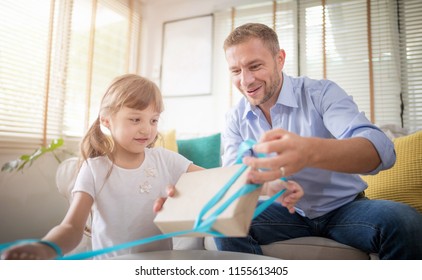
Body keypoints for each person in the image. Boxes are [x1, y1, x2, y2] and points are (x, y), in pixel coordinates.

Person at [214, 22, 422, 259]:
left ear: (279, 59)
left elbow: (382, 150)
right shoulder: (234, 118)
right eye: (236, 71)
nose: (246, 80)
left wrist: (308, 152)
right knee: (224, 221)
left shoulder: (320, 93)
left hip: (345, 209)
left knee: (406, 222)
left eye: (255, 66)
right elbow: (235, 177)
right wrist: (270, 187)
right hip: (287, 213)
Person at [1, 74, 204, 260]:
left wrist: (185, 200)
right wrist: (46, 247)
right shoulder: (93, 169)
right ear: (106, 120)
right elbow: (72, 226)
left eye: (154, 120)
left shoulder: (165, 160)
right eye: (135, 119)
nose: (147, 129)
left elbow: (216, 180)